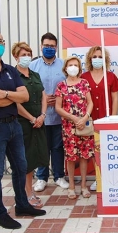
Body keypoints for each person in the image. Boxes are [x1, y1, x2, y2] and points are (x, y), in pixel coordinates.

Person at [0, 31, 46, 230]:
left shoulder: (11, 71)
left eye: (0, 41)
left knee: (21, 167)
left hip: (14, 124)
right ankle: (0, 214)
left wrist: (3, 92)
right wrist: (12, 96)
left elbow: (25, 96)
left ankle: (22, 205)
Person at [29, 33, 69, 192]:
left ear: (56, 47)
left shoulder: (64, 65)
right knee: (42, 147)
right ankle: (42, 177)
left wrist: (58, 99)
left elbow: (70, 86)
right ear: (41, 46)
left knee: (58, 147)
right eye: (46, 46)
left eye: (52, 46)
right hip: (41, 115)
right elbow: (30, 88)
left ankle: (59, 176)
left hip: (60, 115)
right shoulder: (33, 66)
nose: (49, 48)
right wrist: (44, 100)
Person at [12, 42, 49, 208]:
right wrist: (32, 119)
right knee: (24, 160)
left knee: (35, 158)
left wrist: (42, 115)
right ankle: (27, 193)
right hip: (23, 124)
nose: (26, 57)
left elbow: (43, 96)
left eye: (28, 54)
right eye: (23, 54)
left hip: (39, 122)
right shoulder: (12, 76)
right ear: (16, 56)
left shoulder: (35, 74)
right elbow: (14, 102)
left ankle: (29, 191)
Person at [81, 46, 118, 191]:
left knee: (106, 149)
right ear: (90, 59)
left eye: (100, 57)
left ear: (105, 60)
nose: (97, 59)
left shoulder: (111, 76)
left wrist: (113, 117)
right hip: (90, 119)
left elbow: (115, 98)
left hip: (106, 118)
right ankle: (98, 178)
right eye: (94, 56)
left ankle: (109, 178)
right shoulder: (83, 77)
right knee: (93, 150)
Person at [55, 56, 95, 200]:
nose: (73, 67)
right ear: (65, 68)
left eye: (76, 65)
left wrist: (85, 118)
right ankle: (71, 186)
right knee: (71, 157)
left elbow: (90, 103)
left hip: (84, 125)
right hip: (68, 127)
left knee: (84, 156)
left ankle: (83, 186)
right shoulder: (61, 85)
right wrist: (73, 118)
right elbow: (58, 107)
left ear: (80, 68)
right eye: (70, 65)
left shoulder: (84, 83)